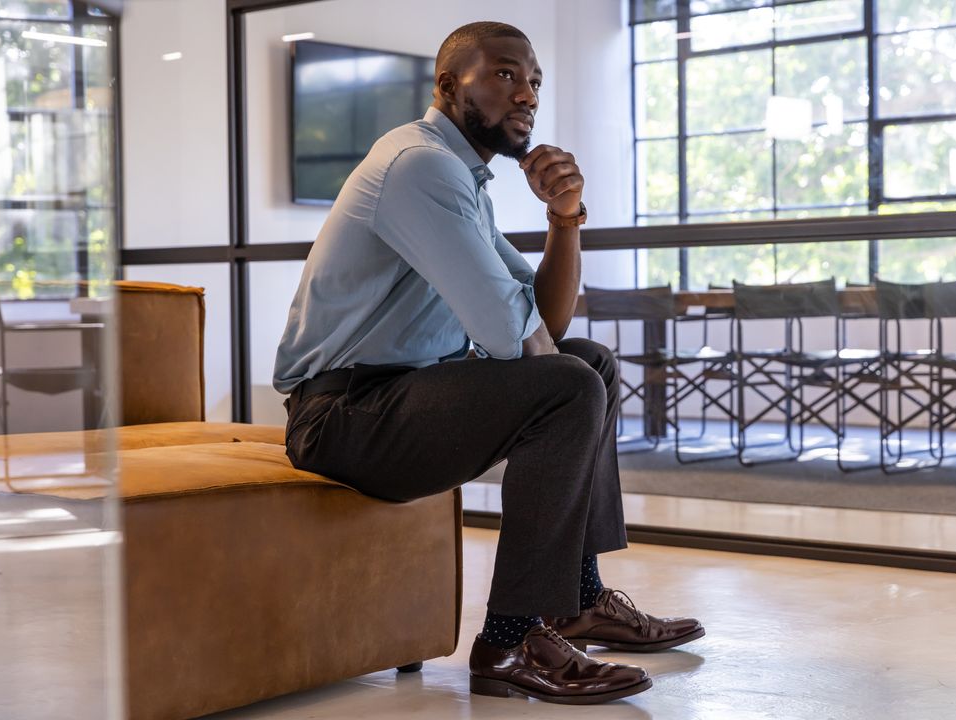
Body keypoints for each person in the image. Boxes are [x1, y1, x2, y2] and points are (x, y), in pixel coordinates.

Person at [274, 21, 703, 705]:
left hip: (397, 398)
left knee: (588, 363)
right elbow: (512, 337)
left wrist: (565, 218)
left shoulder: (462, 178)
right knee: (570, 382)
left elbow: (548, 325)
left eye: (534, 80)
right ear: (449, 85)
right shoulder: (419, 166)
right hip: (341, 417)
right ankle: (510, 640)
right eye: (505, 74)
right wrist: (552, 372)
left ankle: (578, 602)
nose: (527, 94)